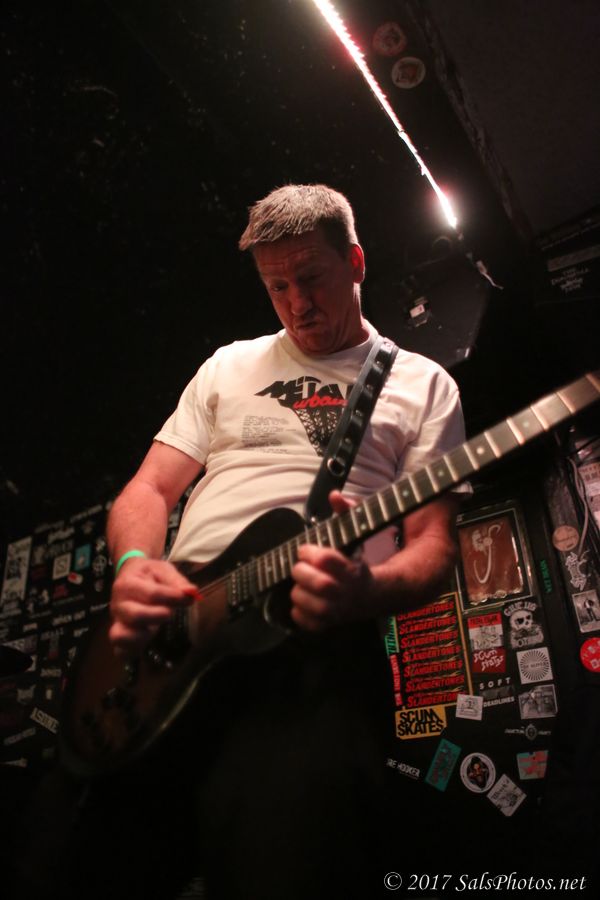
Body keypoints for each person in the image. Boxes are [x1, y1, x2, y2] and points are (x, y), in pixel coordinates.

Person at [105, 184, 466, 899]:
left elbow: (434, 543)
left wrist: (368, 589)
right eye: (277, 286)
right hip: (173, 643)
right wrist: (135, 564)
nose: (297, 303)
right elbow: (147, 490)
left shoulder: (424, 385)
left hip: (312, 653)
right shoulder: (227, 366)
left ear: (355, 262)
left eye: (311, 278)